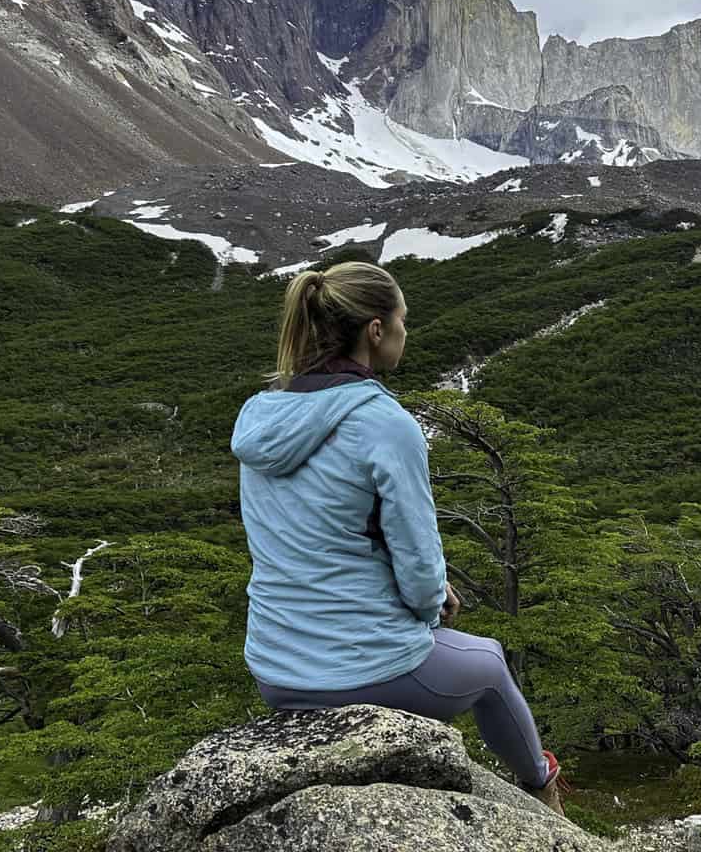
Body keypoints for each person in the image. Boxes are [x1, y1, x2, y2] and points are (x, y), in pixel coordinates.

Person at [231, 260, 565, 814]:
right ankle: (541, 787)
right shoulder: (385, 423)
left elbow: (317, 536)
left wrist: (425, 595)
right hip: (357, 671)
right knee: (489, 664)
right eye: (403, 320)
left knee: (461, 650)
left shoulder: (261, 417)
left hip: (273, 665)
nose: (407, 332)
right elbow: (416, 560)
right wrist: (432, 605)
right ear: (376, 330)